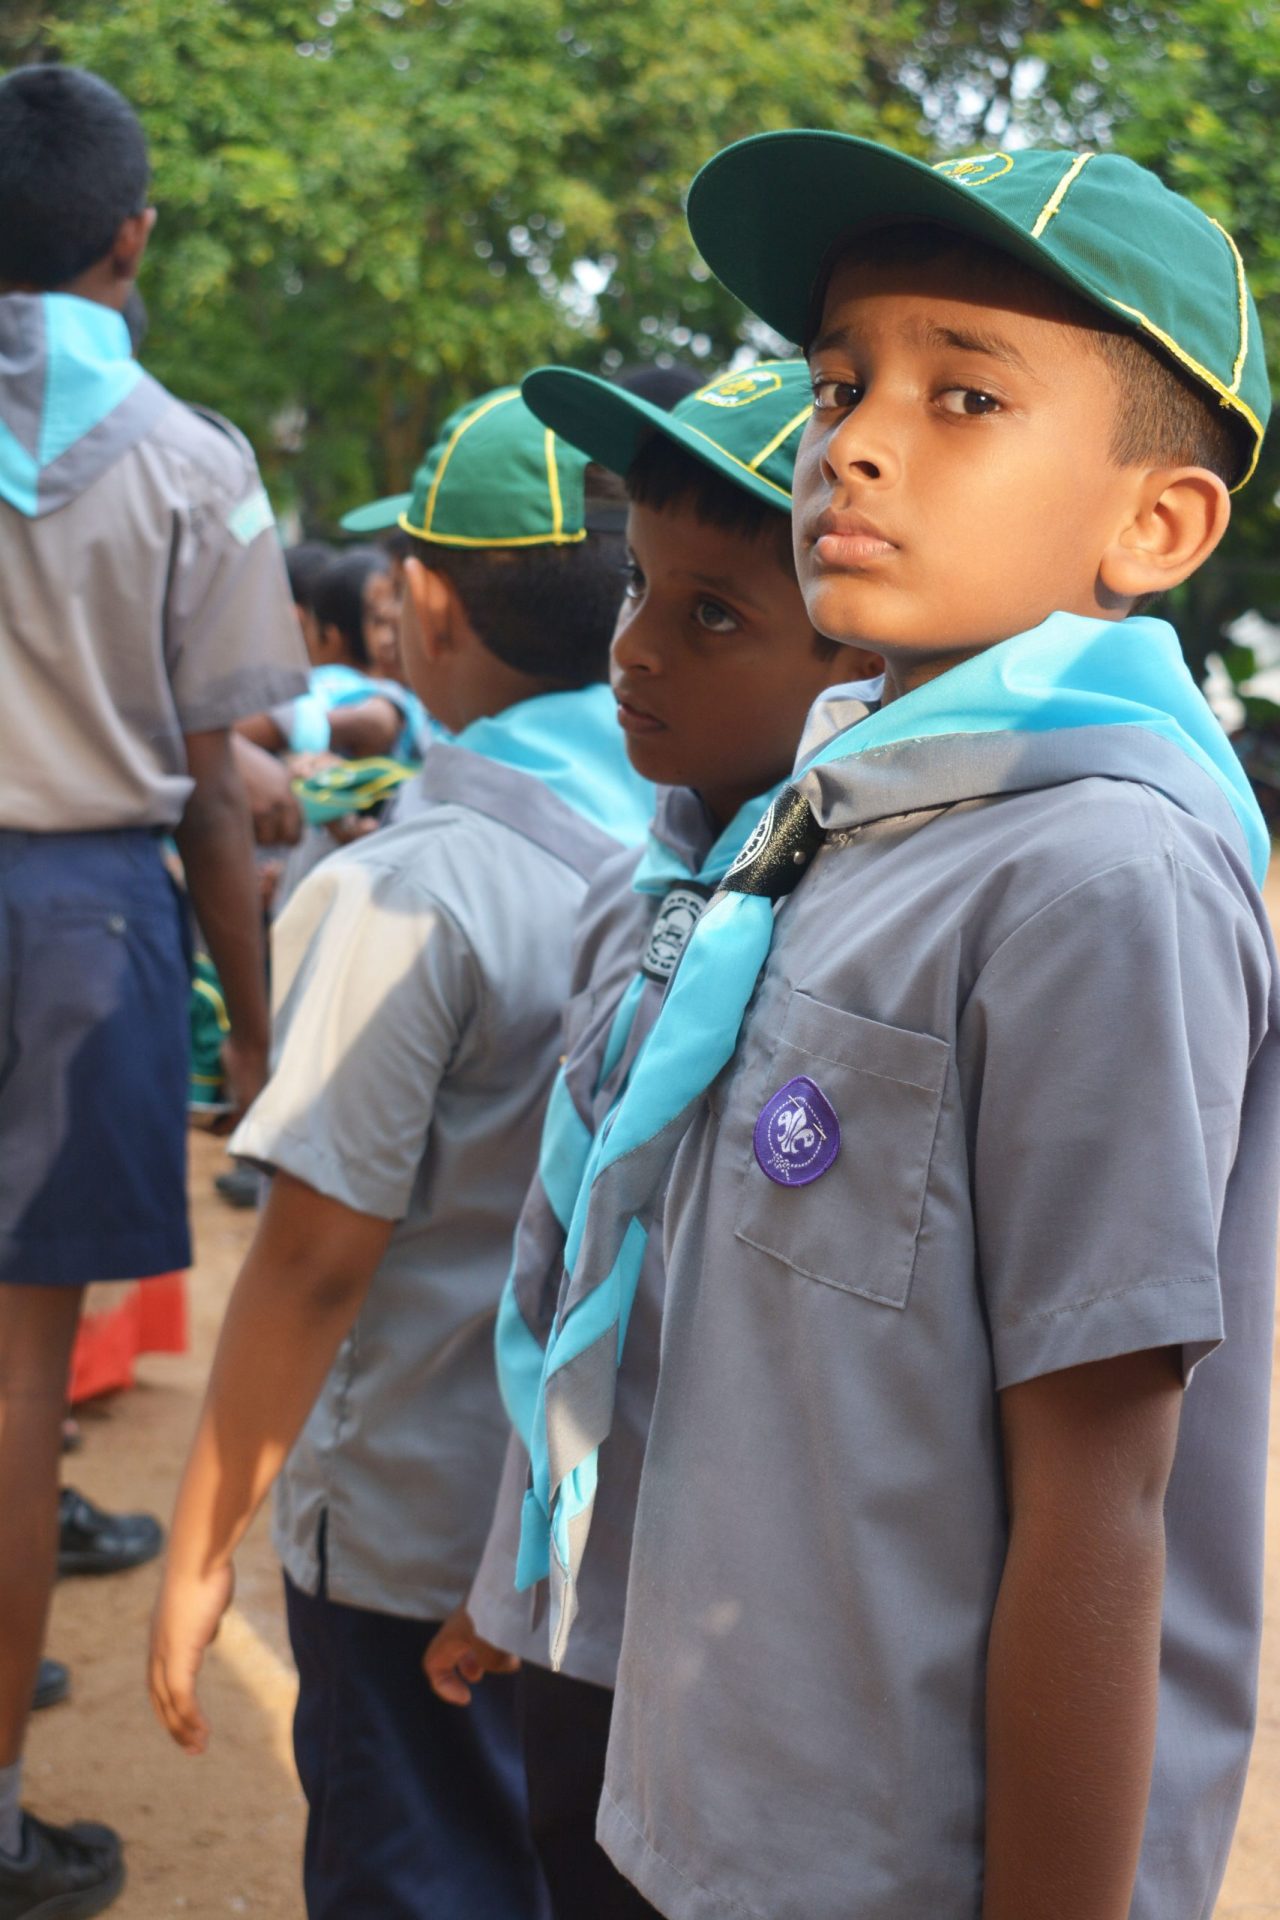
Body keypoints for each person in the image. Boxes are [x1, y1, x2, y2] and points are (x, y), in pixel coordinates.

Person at [517, 137, 1280, 1920]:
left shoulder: (1099, 879)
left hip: (883, 1863)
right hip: (703, 1785)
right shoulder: (839, 810)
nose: (853, 443)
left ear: (1155, 527)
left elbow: (1101, 1494)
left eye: (966, 396)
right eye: (840, 384)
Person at [148, 386, 654, 1920]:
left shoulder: (407, 886)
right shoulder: (705, 837)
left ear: (423, 604)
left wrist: (200, 1543)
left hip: (411, 1538)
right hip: (619, 1536)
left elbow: (313, 1259)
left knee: (420, 1869)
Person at [423, 359, 879, 1917]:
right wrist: (512, 1578)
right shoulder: (643, 894)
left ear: (854, 653)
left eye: (713, 616)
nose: (632, 647)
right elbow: (568, 1266)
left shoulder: (853, 930)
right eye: (637, 585)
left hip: (736, 1654)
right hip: (587, 1603)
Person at [0, 64, 307, 1918]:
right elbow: (216, 787)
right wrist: (253, 1037)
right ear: (134, 235)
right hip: (77, 926)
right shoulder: (193, 460)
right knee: (19, 1371)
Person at [239, 547, 428, 765]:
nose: (388, 638)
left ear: (329, 637)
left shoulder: (334, 683)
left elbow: (376, 721)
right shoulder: (406, 699)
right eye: (378, 620)